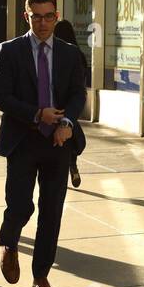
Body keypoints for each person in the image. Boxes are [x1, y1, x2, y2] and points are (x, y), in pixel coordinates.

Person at [0, 0, 87, 287]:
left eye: (48, 16)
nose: (43, 22)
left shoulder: (70, 53)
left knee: (51, 210)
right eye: (36, 16)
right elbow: (2, 97)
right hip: (22, 138)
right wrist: (37, 113)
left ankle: (41, 276)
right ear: (26, 16)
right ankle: (9, 243)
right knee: (19, 204)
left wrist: (66, 123)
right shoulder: (9, 51)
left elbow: (76, 95)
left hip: (58, 143)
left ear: (56, 17)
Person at [53, 18, 89, 189]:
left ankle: (63, 167)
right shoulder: (78, 54)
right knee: (70, 134)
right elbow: (81, 84)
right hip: (72, 105)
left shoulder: (60, 54)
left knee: (60, 138)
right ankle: (72, 165)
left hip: (57, 104)